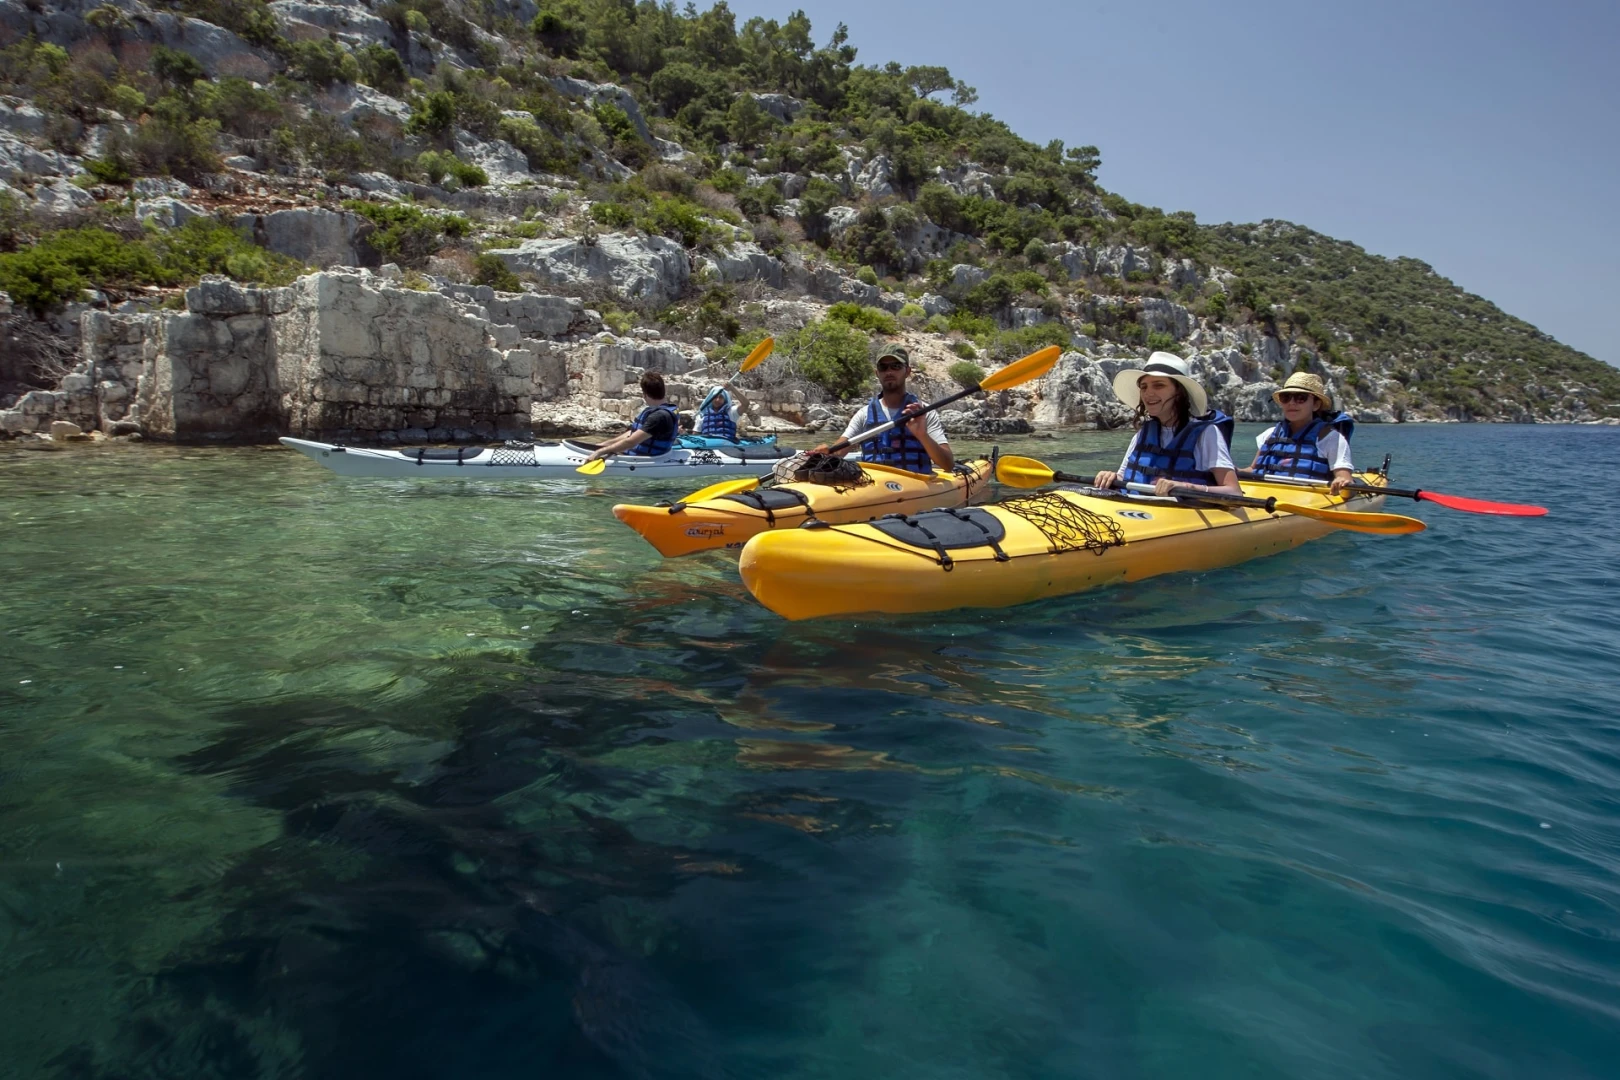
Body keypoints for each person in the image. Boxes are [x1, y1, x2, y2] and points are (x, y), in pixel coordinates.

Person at [1093, 351, 1242, 496]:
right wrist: (1110, 477)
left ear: (1179, 392)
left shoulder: (1207, 434)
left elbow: (1233, 491)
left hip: (1181, 515)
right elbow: (1122, 478)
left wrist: (1185, 487)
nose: (1148, 393)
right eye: (1143, 387)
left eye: (1158, 385)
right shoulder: (1142, 435)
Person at [818, 346, 953, 472]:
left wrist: (922, 435)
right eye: (883, 367)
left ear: (907, 371)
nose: (889, 372)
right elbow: (838, 452)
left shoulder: (925, 413)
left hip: (916, 486)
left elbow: (948, 465)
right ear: (877, 373)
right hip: (877, 487)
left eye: (896, 366)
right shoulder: (863, 415)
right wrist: (824, 454)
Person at [1250, 372, 1356, 494]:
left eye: (1301, 398)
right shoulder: (1269, 434)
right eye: (1286, 398)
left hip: (1305, 501)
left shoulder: (1331, 438)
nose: (1291, 403)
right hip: (1264, 496)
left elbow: (1345, 479)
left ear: (1316, 405)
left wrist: (1342, 481)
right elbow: (1252, 469)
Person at [584, 371, 678, 461]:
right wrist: (603, 445)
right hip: (641, 456)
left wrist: (600, 452)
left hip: (646, 460)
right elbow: (632, 434)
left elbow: (631, 442)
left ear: (645, 394)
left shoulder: (659, 417)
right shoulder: (661, 411)